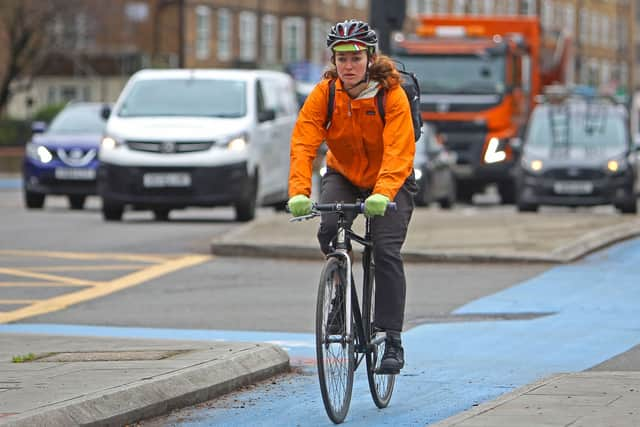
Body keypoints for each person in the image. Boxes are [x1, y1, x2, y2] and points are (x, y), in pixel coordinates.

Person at [287, 19, 416, 374]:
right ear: (334, 60)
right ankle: (339, 297)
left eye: (355, 58)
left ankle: (391, 338)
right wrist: (299, 192)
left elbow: (399, 150)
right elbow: (303, 142)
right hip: (343, 172)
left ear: (370, 58)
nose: (348, 66)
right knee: (329, 229)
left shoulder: (392, 94)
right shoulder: (325, 93)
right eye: (341, 58)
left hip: (391, 180)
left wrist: (384, 191)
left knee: (386, 251)